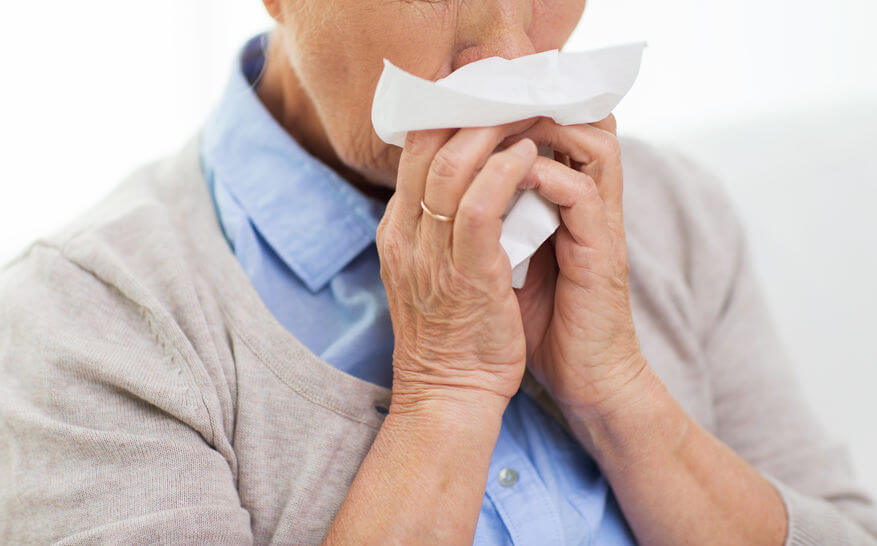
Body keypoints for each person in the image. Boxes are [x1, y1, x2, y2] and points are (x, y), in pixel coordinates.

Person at [1, 0, 875, 544]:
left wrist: (620, 398)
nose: (500, 52)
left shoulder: (669, 213)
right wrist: (444, 398)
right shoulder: (88, 327)